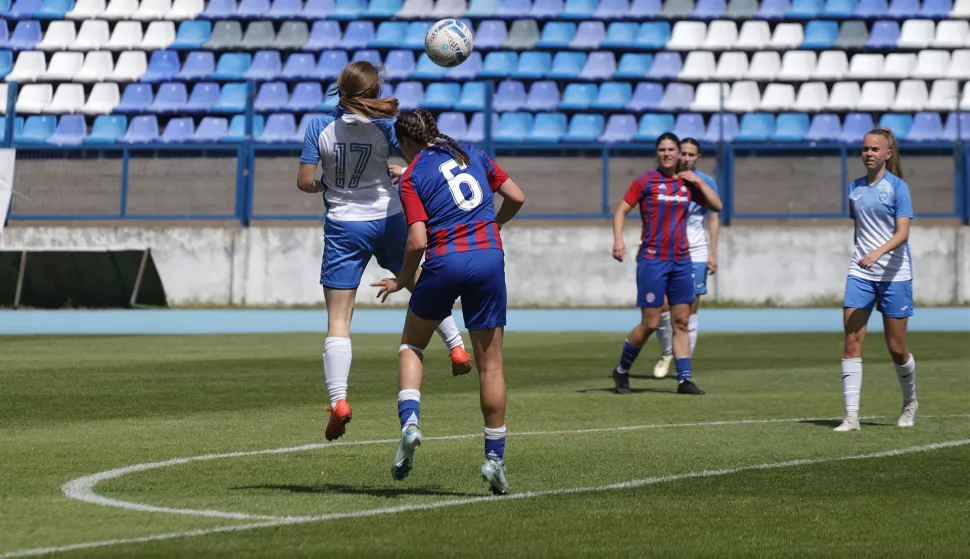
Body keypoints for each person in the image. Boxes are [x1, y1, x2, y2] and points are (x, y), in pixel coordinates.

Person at [296, 62, 471, 442]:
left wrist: (328, 182)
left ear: (339, 88)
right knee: (420, 283)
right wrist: (401, 174)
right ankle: (457, 346)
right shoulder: (386, 127)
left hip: (344, 224)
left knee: (339, 319)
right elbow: (420, 159)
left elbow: (305, 182)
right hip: (389, 217)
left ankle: (339, 401)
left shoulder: (317, 127)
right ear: (374, 93)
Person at [372, 109, 526, 495]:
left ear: (406, 143)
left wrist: (403, 280)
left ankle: (410, 425)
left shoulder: (412, 176)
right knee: (491, 367)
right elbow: (517, 196)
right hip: (489, 258)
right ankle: (494, 460)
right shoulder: (472, 153)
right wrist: (496, 224)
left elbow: (418, 242)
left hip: (446, 261)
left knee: (412, 344)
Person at [610, 132, 722, 395]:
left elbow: (716, 206)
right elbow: (621, 209)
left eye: (672, 149)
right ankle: (622, 370)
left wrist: (698, 181)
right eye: (663, 150)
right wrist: (618, 240)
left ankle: (684, 379)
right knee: (650, 322)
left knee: (681, 321)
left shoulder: (688, 184)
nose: (668, 154)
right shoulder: (647, 181)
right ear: (657, 153)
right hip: (652, 260)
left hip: (682, 261)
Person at [836, 127, 917, 432]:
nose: (868, 153)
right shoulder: (854, 187)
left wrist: (877, 253)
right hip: (860, 273)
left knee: (896, 348)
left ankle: (910, 402)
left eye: (874, 149)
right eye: (865, 148)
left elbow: (903, 233)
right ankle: (851, 416)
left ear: (888, 153)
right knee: (851, 340)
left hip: (895, 274)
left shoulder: (898, 188)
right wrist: (863, 257)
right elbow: (861, 230)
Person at [652, 138, 721, 378]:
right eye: (685, 154)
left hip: (697, 250)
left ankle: (684, 366)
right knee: (661, 305)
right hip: (668, 249)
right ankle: (668, 352)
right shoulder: (667, 179)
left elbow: (713, 216)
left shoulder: (705, 181)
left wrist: (712, 253)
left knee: (691, 308)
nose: (687, 158)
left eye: (692, 155)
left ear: (698, 157)